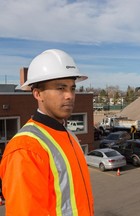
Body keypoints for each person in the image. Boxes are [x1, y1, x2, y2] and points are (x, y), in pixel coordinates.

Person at [0, 49, 94, 215]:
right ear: (37, 94)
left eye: (72, 88)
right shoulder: (25, 149)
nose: (69, 96)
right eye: (60, 88)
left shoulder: (68, 135)